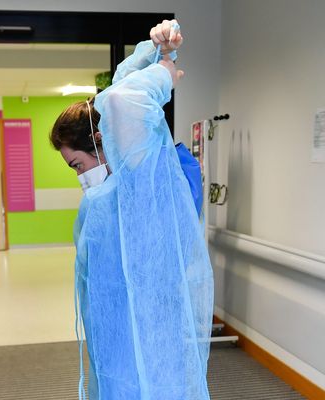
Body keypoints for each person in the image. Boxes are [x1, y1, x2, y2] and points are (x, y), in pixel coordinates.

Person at [50, 20, 213, 399]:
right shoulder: (116, 193)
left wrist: (162, 73)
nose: (81, 177)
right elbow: (118, 95)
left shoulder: (149, 184)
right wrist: (151, 52)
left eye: (77, 165)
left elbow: (120, 102)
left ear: (102, 142)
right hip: (120, 340)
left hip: (150, 340)